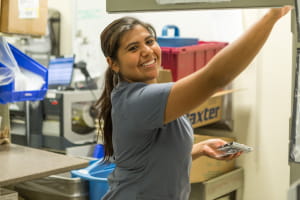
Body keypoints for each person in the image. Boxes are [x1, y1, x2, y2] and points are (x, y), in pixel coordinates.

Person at [94, 6, 292, 200]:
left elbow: (153, 158)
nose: (147, 51)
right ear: (114, 64)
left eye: (149, 41)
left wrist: (199, 149)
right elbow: (215, 78)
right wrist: (271, 16)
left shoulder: (152, 96)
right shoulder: (137, 101)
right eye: (133, 48)